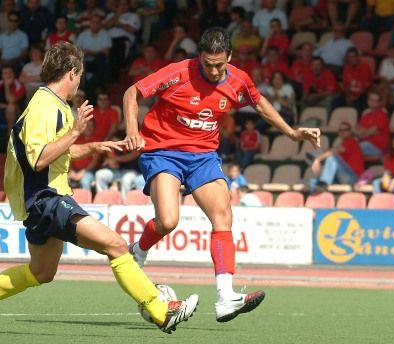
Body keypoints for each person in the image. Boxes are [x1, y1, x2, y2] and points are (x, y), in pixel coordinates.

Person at [0, 41, 198, 334]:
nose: (80, 81)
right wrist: (76, 131)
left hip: (40, 203)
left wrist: (93, 145)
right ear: (72, 73)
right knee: (115, 245)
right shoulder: (43, 107)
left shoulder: (54, 105)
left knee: (41, 272)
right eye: (80, 74)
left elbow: (55, 151)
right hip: (47, 199)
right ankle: (160, 310)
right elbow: (38, 159)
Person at [124, 27, 320, 323]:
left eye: (219, 64)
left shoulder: (239, 80)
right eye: (207, 64)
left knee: (223, 215)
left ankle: (225, 297)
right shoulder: (179, 73)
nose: (214, 71)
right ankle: (138, 250)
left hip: (203, 156)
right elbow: (132, 92)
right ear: (199, 58)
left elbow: (259, 103)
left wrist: (291, 132)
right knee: (168, 221)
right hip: (163, 151)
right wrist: (131, 130)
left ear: (229, 56)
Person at [309, 121, 363, 191]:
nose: (343, 132)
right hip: (341, 177)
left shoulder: (351, 141)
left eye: (346, 130)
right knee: (312, 181)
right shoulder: (342, 143)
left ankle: (324, 183)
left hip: (353, 178)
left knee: (332, 158)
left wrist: (318, 159)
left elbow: (335, 151)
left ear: (350, 132)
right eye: (341, 130)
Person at [372, 137, 394, 201]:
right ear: (393, 145)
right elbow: (387, 172)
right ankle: (378, 204)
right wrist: (386, 178)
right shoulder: (388, 157)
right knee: (376, 182)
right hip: (393, 177)